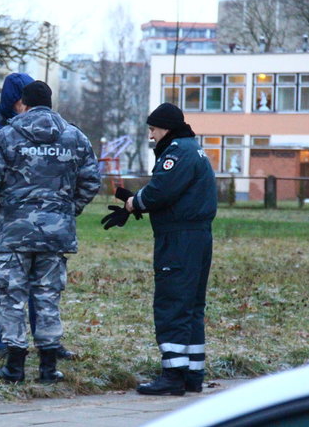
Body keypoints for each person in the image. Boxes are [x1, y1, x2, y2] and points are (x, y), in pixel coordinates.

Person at [0, 81, 101, 383]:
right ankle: (48, 368)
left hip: (15, 231)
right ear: (50, 102)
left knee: (12, 296)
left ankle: (15, 367)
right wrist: (68, 211)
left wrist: (0, 213)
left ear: (23, 103)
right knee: (47, 296)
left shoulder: (7, 135)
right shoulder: (74, 136)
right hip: (55, 233)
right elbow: (91, 180)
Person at [0, 73, 76, 360]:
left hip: (44, 220)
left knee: (42, 284)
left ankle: (45, 341)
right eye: (19, 101)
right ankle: (2, 339)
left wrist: (64, 208)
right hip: (6, 221)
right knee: (1, 281)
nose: (23, 106)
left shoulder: (50, 129)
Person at [124, 103, 217, 396]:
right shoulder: (194, 148)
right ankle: (192, 374)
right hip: (198, 237)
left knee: (173, 303)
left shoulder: (177, 152)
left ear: (165, 127)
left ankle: (173, 376)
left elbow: (161, 190)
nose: (151, 136)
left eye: (152, 129)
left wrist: (134, 203)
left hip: (179, 240)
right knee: (191, 306)